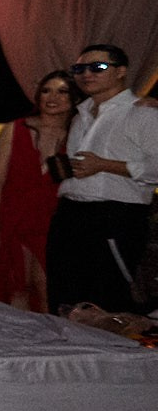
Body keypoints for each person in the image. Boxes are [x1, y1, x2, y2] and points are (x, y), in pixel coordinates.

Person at [49, 43, 158, 312]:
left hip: (116, 215)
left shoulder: (142, 113)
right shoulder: (81, 115)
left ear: (121, 71)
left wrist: (104, 165)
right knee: (65, 295)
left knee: (105, 300)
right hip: (71, 212)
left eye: (98, 67)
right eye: (79, 68)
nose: (87, 74)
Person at [0, 71, 75, 311]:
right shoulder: (16, 129)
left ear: (74, 98)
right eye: (46, 90)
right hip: (16, 216)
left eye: (62, 91)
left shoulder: (79, 134)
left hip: (53, 220)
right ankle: (15, 342)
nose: (52, 97)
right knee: (17, 284)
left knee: (47, 287)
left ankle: (45, 345)